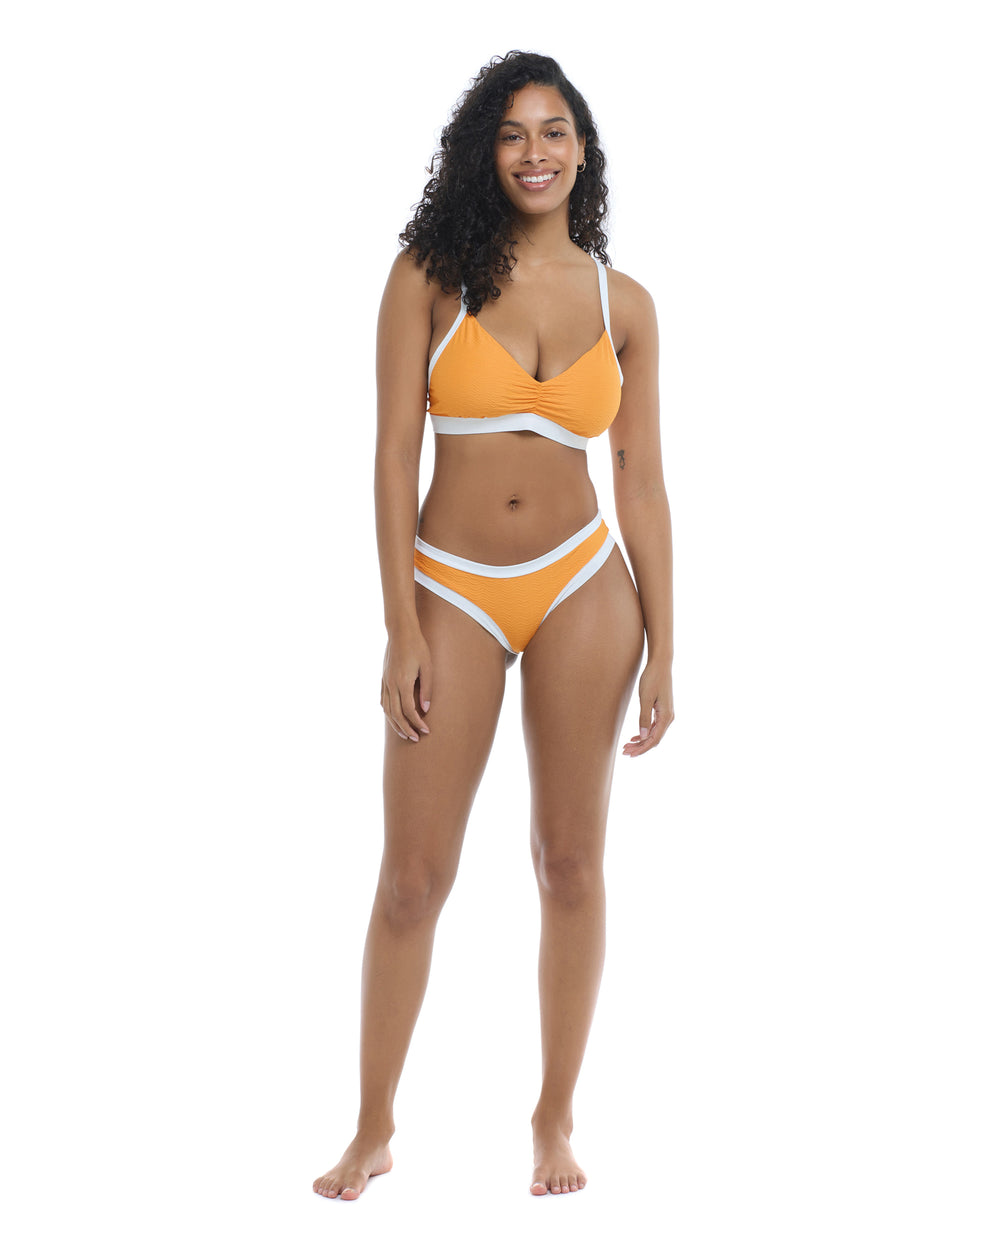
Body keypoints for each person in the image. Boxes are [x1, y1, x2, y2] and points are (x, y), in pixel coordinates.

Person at [313, 49, 673, 1200]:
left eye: (553, 130)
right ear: (485, 151)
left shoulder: (624, 304)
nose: (534, 152)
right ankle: (373, 1123)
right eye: (512, 133)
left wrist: (668, 643)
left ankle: (553, 1117)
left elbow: (641, 482)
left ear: (583, 149)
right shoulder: (428, 275)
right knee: (412, 878)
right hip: (451, 585)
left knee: (570, 862)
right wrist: (399, 626)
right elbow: (389, 455)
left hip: (584, 585)